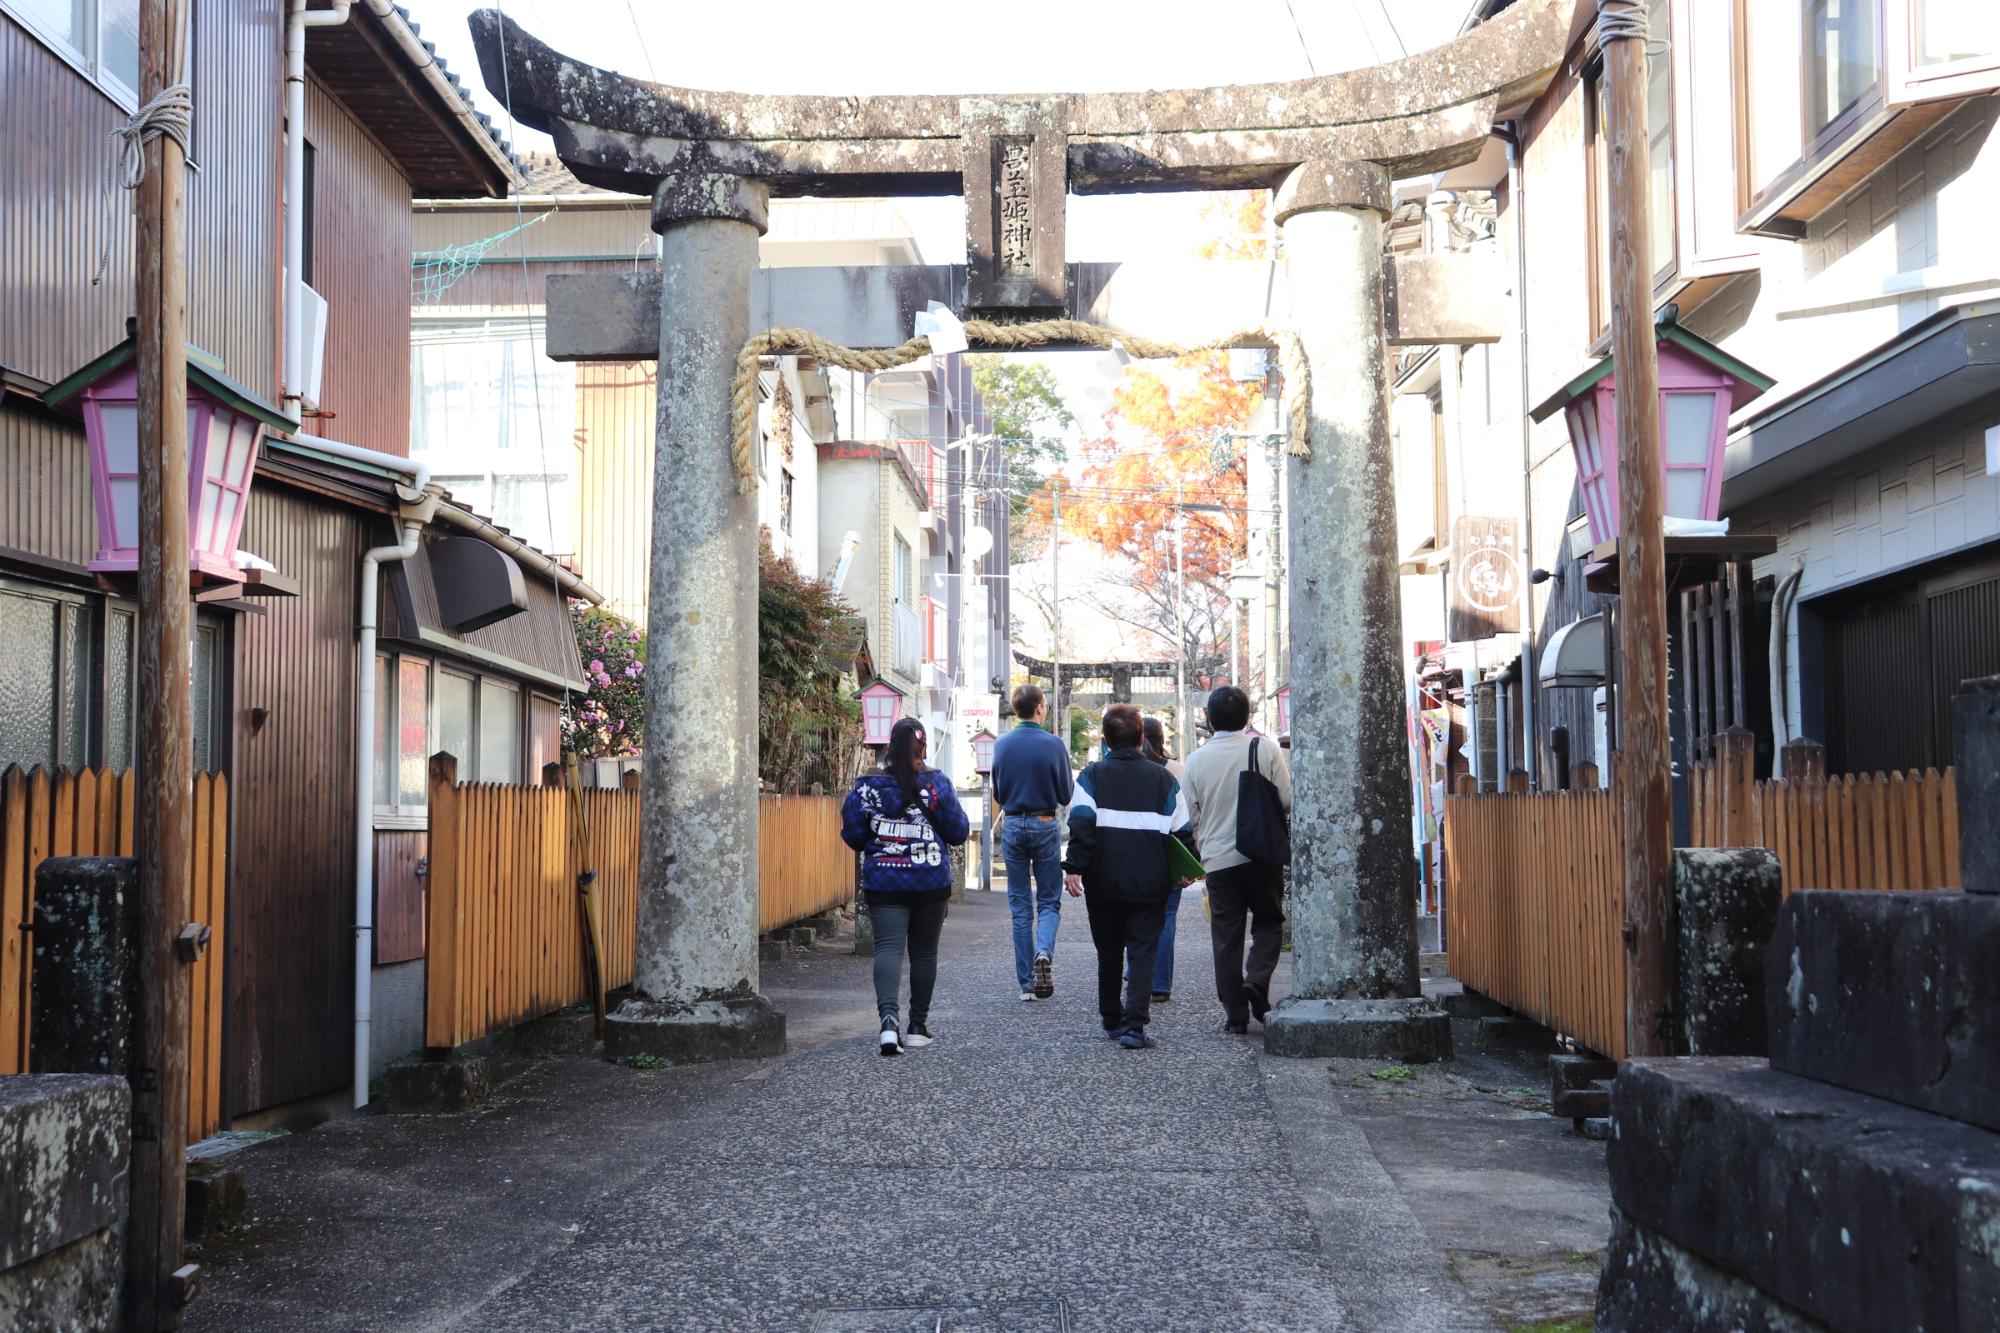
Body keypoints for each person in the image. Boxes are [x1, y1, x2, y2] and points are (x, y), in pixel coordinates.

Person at [1062, 704, 1196, 1049]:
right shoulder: (1165, 780)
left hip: (1103, 881)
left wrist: (1074, 867)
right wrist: (1186, 868)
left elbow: (1081, 825)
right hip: (1150, 882)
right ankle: (1135, 1027)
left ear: (1106, 739)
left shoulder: (1091, 777)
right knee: (1142, 951)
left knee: (1108, 951)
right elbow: (1182, 832)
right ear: (1141, 739)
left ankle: (1111, 1019)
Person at [840, 717, 969, 1056]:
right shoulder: (938, 783)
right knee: (924, 952)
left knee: (887, 950)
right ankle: (917, 1027)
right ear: (923, 748)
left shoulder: (866, 786)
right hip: (930, 880)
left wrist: (881, 838)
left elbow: (853, 835)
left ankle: (888, 1024)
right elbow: (958, 832)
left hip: (884, 881)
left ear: (889, 748)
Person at [1181, 685, 1292, 1035]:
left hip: (1218, 860)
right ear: (1247, 716)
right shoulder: (1265, 748)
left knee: (1226, 937)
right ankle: (1256, 979)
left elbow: (1190, 816)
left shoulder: (1196, 760)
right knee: (1269, 921)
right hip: (1261, 854)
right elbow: (1286, 800)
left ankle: (1236, 1016)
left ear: (1209, 718)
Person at [989, 683, 1073, 1001]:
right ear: (1039, 707)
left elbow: (999, 792)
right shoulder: (1054, 744)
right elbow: (1065, 794)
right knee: (1049, 900)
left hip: (1012, 823)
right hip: (1044, 821)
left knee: (1020, 903)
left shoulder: (1001, 744)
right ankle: (1044, 953)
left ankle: (1026, 984)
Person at [1140, 715, 1189, 1004]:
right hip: (1171, 849)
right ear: (1162, 738)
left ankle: (1137, 973)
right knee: (1167, 916)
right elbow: (1186, 819)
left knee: (1137, 915)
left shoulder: (1132, 769)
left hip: (1137, 851)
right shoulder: (1177, 770)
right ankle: (1160, 984)